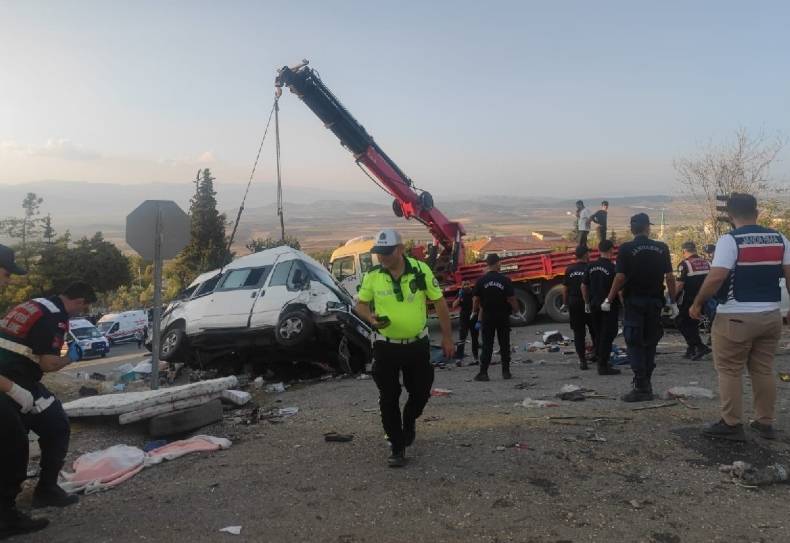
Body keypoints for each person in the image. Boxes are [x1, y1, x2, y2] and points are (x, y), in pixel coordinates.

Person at [689, 193, 790, 441]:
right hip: (770, 315)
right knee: (763, 369)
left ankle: (731, 423)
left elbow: (716, 277)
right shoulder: (781, 239)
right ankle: (764, 422)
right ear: (756, 212)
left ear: (731, 216)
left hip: (735, 316)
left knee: (730, 370)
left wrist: (698, 303)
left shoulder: (730, 240)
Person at [1, 280, 96, 538]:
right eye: (83, 308)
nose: (80, 312)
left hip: (7, 374)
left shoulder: (32, 304)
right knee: (55, 426)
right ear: (79, 301)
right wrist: (70, 358)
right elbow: (48, 364)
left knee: (13, 439)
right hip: (15, 380)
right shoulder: (56, 317)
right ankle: (44, 492)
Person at [355, 229, 454, 467]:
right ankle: (397, 447)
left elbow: (439, 302)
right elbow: (360, 305)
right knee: (388, 397)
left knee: (420, 391)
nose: (382, 257)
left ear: (400, 249)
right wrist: (371, 318)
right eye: (379, 253)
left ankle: (409, 420)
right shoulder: (373, 276)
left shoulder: (420, 271)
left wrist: (447, 337)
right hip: (385, 347)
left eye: (387, 252)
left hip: (416, 345)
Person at [603, 213, 677, 402]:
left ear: (632, 229)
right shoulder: (661, 248)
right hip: (654, 302)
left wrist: (609, 299)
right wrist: (674, 301)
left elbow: (620, 277)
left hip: (634, 302)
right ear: (647, 228)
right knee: (650, 343)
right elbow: (669, 276)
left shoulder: (626, 248)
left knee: (634, 343)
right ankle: (647, 385)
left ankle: (641, 388)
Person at [472, 254, 519, 381]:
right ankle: (506, 372)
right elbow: (511, 298)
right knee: (504, 344)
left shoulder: (481, 281)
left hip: (487, 317)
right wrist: (516, 310)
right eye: (500, 263)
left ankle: (483, 373)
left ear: (487, 264)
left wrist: (474, 312)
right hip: (502, 316)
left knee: (487, 345)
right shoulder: (505, 280)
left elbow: (476, 299)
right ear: (497, 263)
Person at [582, 240, 622, 375]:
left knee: (599, 334)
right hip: (608, 306)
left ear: (599, 250)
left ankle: (601, 359)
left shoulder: (590, 266)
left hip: (594, 305)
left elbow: (584, 286)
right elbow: (619, 288)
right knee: (608, 334)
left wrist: (587, 302)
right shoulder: (613, 267)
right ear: (611, 250)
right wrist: (624, 305)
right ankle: (603, 365)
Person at [675, 241, 711, 360]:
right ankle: (691, 349)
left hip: (689, 299)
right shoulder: (707, 263)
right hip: (706, 298)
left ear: (684, 251)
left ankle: (700, 346)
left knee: (681, 322)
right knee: (693, 323)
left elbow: (679, 285)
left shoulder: (685, 264)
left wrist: (671, 298)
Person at [562, 246, 595, 370]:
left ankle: (582, 361)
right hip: (589, 303)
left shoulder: (570, 269)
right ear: (586, 254)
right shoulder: (590, 268)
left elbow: (565, 289)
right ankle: (597, 355)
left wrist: (565, 303)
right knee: (594, 331)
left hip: (574, 303)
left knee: (578, 333)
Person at [452, 281, 479, 366]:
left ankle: (476, 358)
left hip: (473, 316)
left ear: (470, 285)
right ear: (462, 286)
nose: (466, 286)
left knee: (475, 338)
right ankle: (459, 359)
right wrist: (459, 298)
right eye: (464, 285)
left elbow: (478, 303)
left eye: (468, 284)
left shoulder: (474, 292)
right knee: (462, 338)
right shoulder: (460, 293)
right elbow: (453, 305)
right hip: (464, 317)